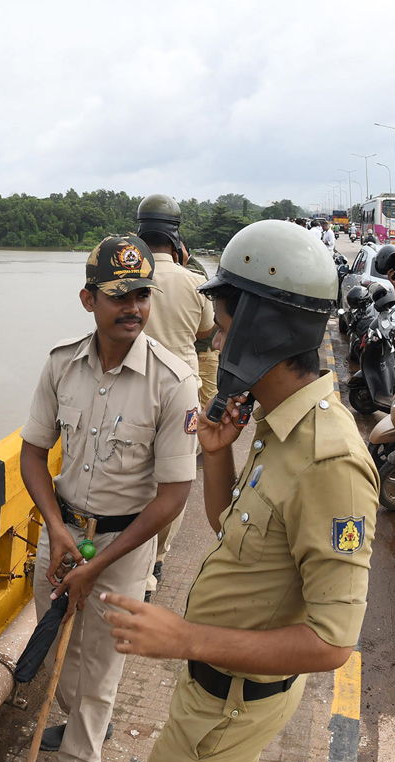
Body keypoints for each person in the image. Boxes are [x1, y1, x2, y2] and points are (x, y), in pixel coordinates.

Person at [100, 220, 379, 762]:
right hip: (224, 693)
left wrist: (184, 638)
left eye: (225, 331)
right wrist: (218, 454)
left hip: (229, 706)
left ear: (261, 330)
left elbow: (332, 643)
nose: (219, 348)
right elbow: (233, 526)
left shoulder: (328, 459)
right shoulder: (279, 422)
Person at [19, 235, 198, 762]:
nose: (135, 308)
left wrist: (101, 563)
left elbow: (173, 496)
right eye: (120, 296)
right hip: (65, 533)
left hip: (127, 540)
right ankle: (82, 725)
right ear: (88, 299)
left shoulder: (172, 382)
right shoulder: (60, 366)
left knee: (103, 656)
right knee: (63, 646)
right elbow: (32, 454)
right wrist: (58, 530)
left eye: (143, 295)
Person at [136, 194, 215, 599]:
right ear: (176, 237)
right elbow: (206, 333)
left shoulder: (130, 278)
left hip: (134, 390)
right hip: (182, 390)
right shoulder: (194, 281)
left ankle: (134, 559)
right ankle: (157, 561)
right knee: (175, 482)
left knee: (136, 479)